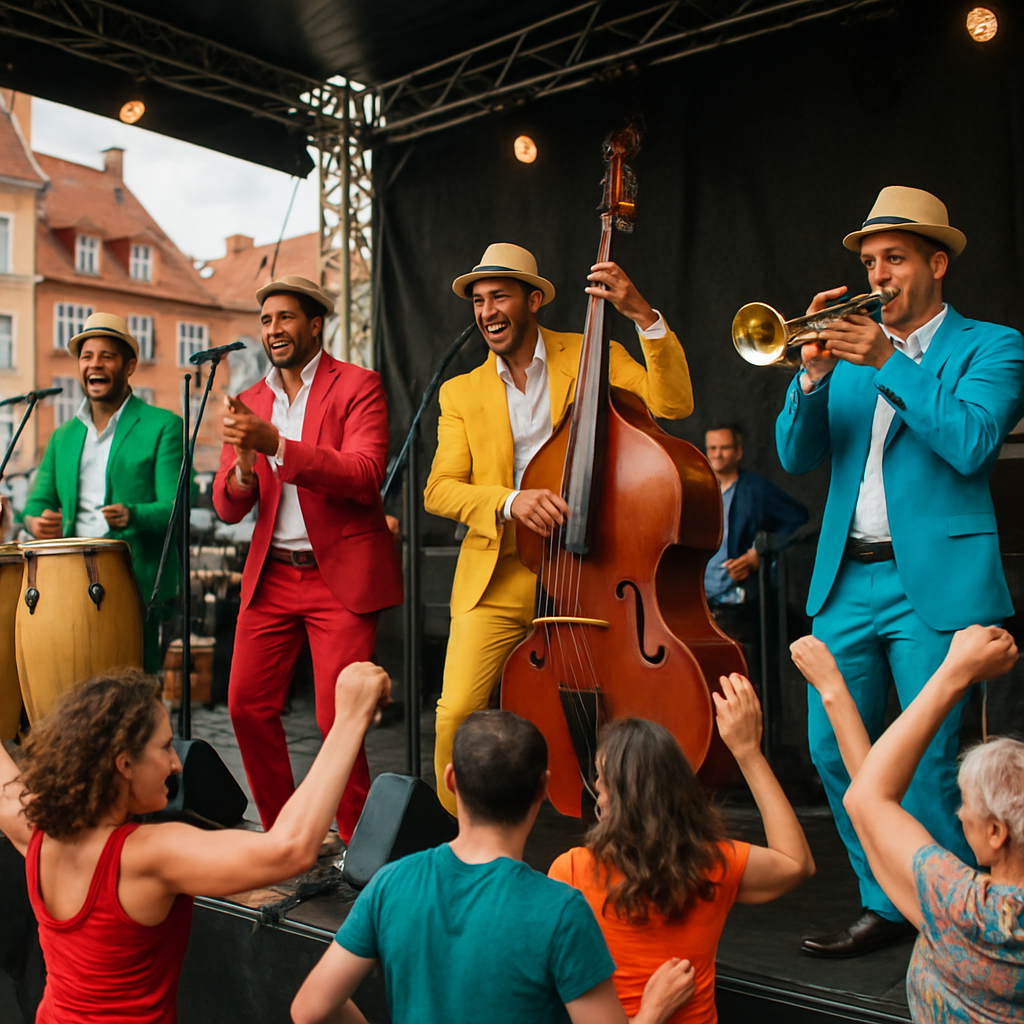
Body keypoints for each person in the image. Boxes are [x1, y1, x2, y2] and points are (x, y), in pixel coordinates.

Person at [775, 186, 1024, 956]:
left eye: (894, 259)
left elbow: (973, 441)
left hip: (935, 584)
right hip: (847, 579)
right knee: (827, 748)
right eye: (870, 260)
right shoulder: (847, 354)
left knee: (923, 761)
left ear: (937, 263)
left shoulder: (992, 345)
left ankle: (949, 925)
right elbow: (795, 455)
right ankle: (887, 904)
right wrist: (812, 377)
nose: (877, 275)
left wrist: (888, 361)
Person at [424, 242, 694, 814]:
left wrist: (643, 316)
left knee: (620, 701)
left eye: (499, 295)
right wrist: (511, 501)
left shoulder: (595, 352)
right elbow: (439, 490)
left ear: (535, 299)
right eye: (478, 300)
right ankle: (463, 838)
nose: (487, 311)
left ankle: (625, 824)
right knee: (455, 712)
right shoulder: (461, 391)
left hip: (592, 564)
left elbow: (672, 405)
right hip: (499, 574)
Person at [0, 660, 391, 1024]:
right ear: (124, 764)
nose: (176, 763)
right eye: (165, 746)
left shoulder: (40, 831)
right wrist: (350, 718)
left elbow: (6, 792)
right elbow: (290, 848)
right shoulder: (145, 856)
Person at [291, 709, 696, 1024]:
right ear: (543, 788)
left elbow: (310, 1010)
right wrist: (653, 1011)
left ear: (451, 780)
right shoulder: (561, 911)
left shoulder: (390, 884)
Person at [212, 275, 402, 843]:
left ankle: (356, 843)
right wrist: (246, 465)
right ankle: (283, 831)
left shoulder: (358, 386)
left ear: (315, 324)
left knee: (335, 718)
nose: (273, 330)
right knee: (245, 706)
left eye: (286, 318)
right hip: (272, 576)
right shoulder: (248, 402)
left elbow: (365, 476)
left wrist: (276, 446)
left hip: (338, 577)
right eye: (266, 320)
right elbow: (227, 505)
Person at [548, 674, 815, 1024]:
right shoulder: (714, 863)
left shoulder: (570, 871)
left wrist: (651, 1014)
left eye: (600, 778)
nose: (596, 787)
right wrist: (748, 753)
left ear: (612, 796)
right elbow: (796, 863)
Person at [792, 627, 1024, 1021]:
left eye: (966, 805)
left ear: (996, 833)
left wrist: (956, 671)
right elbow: (871, 804)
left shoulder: (963, 911)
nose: (959, 814)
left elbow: (869, 801)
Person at [22, 312, 183, 671]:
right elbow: (36, 502)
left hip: (135, 580)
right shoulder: (63, 435)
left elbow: (177, 509)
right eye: (86, 356)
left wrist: (134, 514)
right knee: (74, 681)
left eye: (106, 356)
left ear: (129, 366)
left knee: (133, 690)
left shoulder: (164, 426)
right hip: (66, 580)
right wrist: (35, 521)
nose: (95, 364)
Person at [703, 423, 807, 673]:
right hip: (700, 607)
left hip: (740, 608)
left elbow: (798, 520)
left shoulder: (755, 489)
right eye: (712, 448)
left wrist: (757, 556)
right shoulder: (699, 487)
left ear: (738, 452)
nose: (717, 454)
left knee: (748, 678)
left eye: (724, 448)